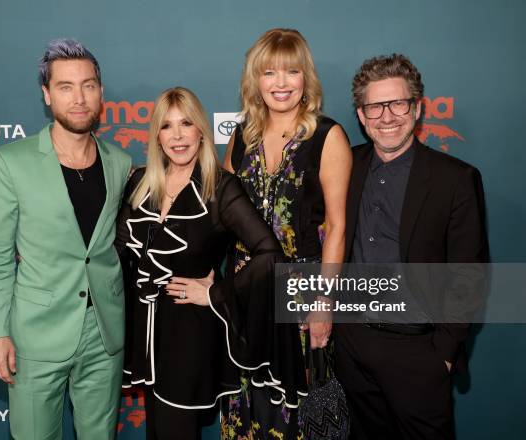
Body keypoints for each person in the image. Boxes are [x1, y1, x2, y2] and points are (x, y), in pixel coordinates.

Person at [0, 38, 131, 439]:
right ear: (47, 95)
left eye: (88, 85)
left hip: (104, 334)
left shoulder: (121, 162)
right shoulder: (10, 162)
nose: (79, 98)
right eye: (65, 87)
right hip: (35, 334)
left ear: (100, 91)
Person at [116, 86, 285, 440]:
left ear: (201, 131)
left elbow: (269, 254)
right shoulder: (139, 182)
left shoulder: (220, 188)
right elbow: (117, 254)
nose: (177, 135)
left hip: (190, 335)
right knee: (157, 432)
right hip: (145, 336)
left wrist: (217, 293)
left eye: (186, 123)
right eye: (167, 126)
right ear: (156, 135)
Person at [334, 53, 489, 440]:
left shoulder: (456, 179)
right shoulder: (343, 166)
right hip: (350, 345)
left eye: (398, 103)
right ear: (361, 113)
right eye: (375, 106)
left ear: (417, 108)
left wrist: (443, 354)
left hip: (417, 349)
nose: (387, 116)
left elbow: (470, 274)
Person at [221, 28, 352, 439]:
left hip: (301, 296)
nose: (280, 83)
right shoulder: (241, 137)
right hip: (244, 293)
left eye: (291, 72)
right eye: (269, 72)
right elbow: (222, 217)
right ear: (255, 80)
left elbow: (337, 227)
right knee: (247, 402)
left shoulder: (327, 137)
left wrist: (324, 302)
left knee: (301, 409)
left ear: (305, 79)